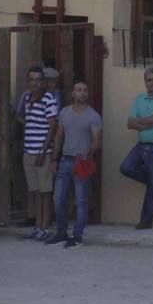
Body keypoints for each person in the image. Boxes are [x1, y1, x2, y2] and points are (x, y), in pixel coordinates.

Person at [44, 79, 102, 249]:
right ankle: (61, 233)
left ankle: (77, 236)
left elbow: (98, 141)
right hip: (64, 160)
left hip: (81, 162)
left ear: (88, 94)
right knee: (58, 199)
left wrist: (88, 151)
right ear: (73, 93)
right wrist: (55, 159)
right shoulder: (64, 113)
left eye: (84, 90)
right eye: (78, 90)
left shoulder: (93, 116)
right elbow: (59, 136)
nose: (81, 93)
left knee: (81, 201)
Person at [121, 67, 153, 229]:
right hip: (142, 145)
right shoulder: (139, 99)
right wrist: (147, 122)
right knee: (126, 168)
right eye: (149, 80)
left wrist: (140, 122)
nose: (152, 83)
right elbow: (129, 123)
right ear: (145, 81)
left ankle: (145, 221)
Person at [17, 66, 58, 240]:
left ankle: (45, 228)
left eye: (38, 80)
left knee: (45, 192)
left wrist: (43, 150)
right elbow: (27, 120)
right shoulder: (27, 98)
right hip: (29, 151)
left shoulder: (48, 99)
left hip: (43, 152)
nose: (35, 83)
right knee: (35, 191)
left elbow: (53, 125)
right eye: (32, 79)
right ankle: (37, 227)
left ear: (43, 82)